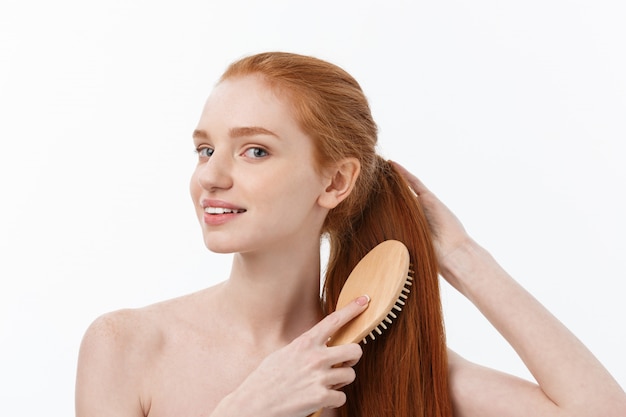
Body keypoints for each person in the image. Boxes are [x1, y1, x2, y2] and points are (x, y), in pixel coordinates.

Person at [75, 52, 626, 417]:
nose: (211, 176)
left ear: (335, 181)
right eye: (205, 149)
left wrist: (461, 256)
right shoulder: (127, 347)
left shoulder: (383, 357)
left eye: (255, 150)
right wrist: (248, 408)